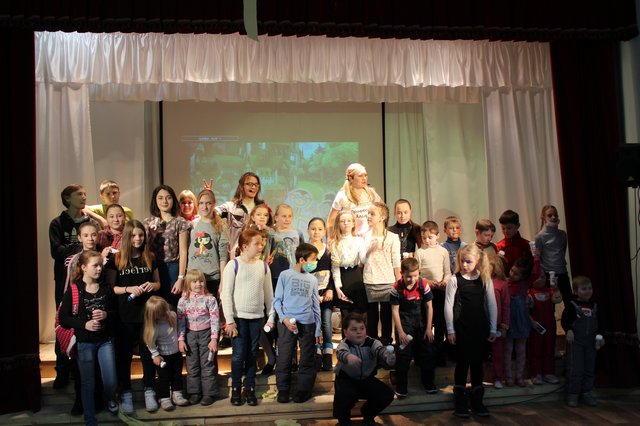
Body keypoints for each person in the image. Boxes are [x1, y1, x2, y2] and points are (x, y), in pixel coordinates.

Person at [105, 219, 160, 414]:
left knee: (147, 353)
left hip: (146, 314)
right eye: (134, 235)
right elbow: (111, 288)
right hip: (125, 315)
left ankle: (149, 390)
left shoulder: (150, 257)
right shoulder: (117, 258)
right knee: (124, 355)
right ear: (127, 237)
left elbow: (158, 283)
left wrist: (152, 286)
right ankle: (126, 392)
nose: (138, 238)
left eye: (141, 235)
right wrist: (128, 288)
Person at [59, 250, 118, 425]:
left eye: (100, 265)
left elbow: (116, 313)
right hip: (85, 343)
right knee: (87, 383)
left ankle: (110, 398)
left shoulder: (106, 289)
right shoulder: (74, 290)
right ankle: (90, 419)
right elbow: (63, 319)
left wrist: (106, 315)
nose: (99, 269)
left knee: (110, 381)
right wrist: (84, 324)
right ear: (84, 267)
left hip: (105, 341)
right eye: (95, 265)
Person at [49, 183, 96, 390]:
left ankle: (81, 370)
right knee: (63, 321)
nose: (84, 197)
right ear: (67, 198)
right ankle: (62, 370)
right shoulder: (57, 223)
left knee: (85, 321)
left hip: (87, 282)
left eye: (85, 194)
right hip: (64, 281)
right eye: (79, 194)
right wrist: (81, 249)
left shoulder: (90, 222)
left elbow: (95, 247)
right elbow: (56, 251)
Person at [221, 229, 275, 406]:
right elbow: (226, 294)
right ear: (244, 246)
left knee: (252, 353)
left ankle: (250, 387)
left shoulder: (263, 266)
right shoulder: (233, 265)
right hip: (238, 318)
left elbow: (269, 295)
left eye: (261, 243)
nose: (261, 246)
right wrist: (229, 320)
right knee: (238, 355)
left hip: (256, 318)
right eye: (256, 244)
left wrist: (271, 317)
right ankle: (236, 388)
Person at [444, 244, 497, 418]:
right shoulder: (455, 280)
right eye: (462, 261)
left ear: (478, 261)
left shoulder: (484, 279)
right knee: (462, 363)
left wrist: (493, 327)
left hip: (480, 328)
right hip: (461, 328)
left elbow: (491, 304)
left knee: (477, 364)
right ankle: (460, 401)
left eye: (468, 261)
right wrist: (450, 330)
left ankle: (477, 400)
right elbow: (448, 306)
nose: (465, 265)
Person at [273, 243, 322, 404]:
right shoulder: (285, 275)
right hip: (287, 323)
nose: (315, 262)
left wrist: (318, 329)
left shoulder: (312, 279)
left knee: (307, 359)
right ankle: (283, 390)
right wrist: (284, 319)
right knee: (284, 357)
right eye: (313, 259)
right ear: (302, 260)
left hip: (307, 323)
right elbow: (277, 300)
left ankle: (303, 391)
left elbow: (315, 305)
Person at [332, 313, 395, 425]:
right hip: (346, 380)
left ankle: (368, 414)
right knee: (343, 397)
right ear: (345, 332)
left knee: (387, 394)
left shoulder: (372, 342)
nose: (359, 332)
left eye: (362, 328)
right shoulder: (344, 344)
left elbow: (380, 350)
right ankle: (344, 421)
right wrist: (348, 357)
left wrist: (387, 356)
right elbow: (340, 352)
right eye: (354, 329)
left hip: (366, 379)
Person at [390, 257, 436, 397]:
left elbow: (429, 307)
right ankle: (401, 388)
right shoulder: (396, 288)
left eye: (415, 275)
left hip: (421, 324)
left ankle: (429, 384)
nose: (412, 279)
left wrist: (429, 328)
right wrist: (400, 332)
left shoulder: (423, 285)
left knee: (427, 353)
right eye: (409, 276)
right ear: (402, 274)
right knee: (403, 356)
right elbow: (395, 311)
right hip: (404, 324)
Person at [143, 184, 191, 308]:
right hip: (153, 268)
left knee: (172, 305)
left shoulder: (180, 222)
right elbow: (143, 248)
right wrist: (151, 234)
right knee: (155, 307)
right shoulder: (148, 222)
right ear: (155, 200)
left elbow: (183, 251)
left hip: (172, 268)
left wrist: (180, 278)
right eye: (160, 198)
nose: (164, 201)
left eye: (168, 197)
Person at [177, 269, 220, 406]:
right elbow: (180, 321)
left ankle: (208, 393)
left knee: (207, 364)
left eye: (201, 281)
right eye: (194, 281)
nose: (198, 284)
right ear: (188, 283)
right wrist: (181, 339)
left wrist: (214, 339)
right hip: (190, 335)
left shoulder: (210, 299)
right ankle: (195, 392)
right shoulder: (183, 301)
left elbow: (215, 319)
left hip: (206, 334)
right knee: (192, 365)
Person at [561, 276, 604, 407]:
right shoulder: (572, 306)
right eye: (584, 289)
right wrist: (568, 330)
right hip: (576, 343)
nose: (588, 291)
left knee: (589, 368)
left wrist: (600, 337)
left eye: (590, 288)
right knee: (575, 368)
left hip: (591, 343)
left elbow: (600, 325)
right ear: (575, 291)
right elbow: (565, 321)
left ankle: (586, 393)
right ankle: (573, 394)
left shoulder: (595, 305)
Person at [363, 202, 401, 345]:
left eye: (372, 214)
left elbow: (396, 262)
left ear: (382, 217)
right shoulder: (364, 236)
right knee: (372, 317)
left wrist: (398, 282)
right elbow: (361, 261)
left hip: (387, 281)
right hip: (370, 280)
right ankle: (372, 345)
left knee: (386, 316)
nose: (369, 216)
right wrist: (368, 251)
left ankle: (386, 345)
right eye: (368, 213)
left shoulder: (392, 237)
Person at [414, 220, 451, 365]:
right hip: (425, 291)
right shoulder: (420, 252)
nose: (427, 240)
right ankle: (426, 353)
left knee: (440, 322)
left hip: (440, 291)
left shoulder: (443, 251)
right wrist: (427, 282)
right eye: (424, 238)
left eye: (430, 237)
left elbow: (447, 272)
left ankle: (439, 353)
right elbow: (417, 274)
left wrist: (445, 281)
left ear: (438, 236)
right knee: (426, 321)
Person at [144, 296, 190, 411]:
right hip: (163, 357)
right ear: (155, 315)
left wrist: (181, 341)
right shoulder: (154, 327)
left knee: (177, 375)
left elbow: (179, 329)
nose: (167, 312)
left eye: (166, 309)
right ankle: (164, 397)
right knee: (163, 378)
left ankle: (177, 394)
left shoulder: (173, 316)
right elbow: (150, 342)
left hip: (176, 354)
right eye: (163, 312)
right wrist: (155, 355)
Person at [504, 256, 538, 387]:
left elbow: (536, 274)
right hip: (508, 321)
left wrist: (536, 258)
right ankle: (508, 377)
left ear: (523, 276)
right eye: (512, 270)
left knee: (521, 350)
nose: (512, 274)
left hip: (522, 321)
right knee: (507, 350)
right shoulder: (505, 282)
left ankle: (519, 377)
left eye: (516, 274)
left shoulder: (524, 284)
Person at [307, 217, 336, 371]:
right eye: (313, 229)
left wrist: (330, 289)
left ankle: (328, 355)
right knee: (314, 324)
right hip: (311, 296)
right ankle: (316, 354)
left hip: (326, 295)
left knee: (326, 323)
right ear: (308, 231)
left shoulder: (329, 250)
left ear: (324, 231)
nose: (316, 232)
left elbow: (333, 271)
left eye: (319, 229)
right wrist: (313, 295)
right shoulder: (305, 250)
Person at [187, 189, 229, 296]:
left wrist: (223, 282)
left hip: (212, 279)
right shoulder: (192, 224)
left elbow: (223, 257)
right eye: (201, 203)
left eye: (208, 203)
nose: (204, 207)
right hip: (192, 279)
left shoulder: (221, 226)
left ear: (214, 204)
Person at [214, 172, 265, 259]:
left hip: (256, 258)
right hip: (235, 258)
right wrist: (209, 197)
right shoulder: (230, 207)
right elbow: (213, 213)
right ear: (241, 186)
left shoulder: (262, 209)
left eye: (256, 185)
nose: (253, 187)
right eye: (250, 184)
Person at [327, 163, 382, 239]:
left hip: (371, 237)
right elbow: (331, 220)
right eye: (360, 176)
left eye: (365, 175)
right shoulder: (342, 195)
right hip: (351, 239)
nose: (364, 178)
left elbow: (382, 211)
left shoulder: (371, 193)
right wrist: (330, 238)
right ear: (350, 178)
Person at [527, 270, 562, 385]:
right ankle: (536, 373)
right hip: (535, 327)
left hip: (550, 325)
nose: (540, 279)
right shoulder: (529, 292)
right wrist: (531, 321)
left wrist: (555, 287)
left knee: (549, 348)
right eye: (536, 277)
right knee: (535, 349)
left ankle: (549, 372)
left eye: (542, 277)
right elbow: (525, 309)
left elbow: (558, 299)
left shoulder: (550, 291)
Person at [331, 210, 367, 319]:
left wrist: (371, 252)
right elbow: (335, 268)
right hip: (343, 279)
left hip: (356, 277)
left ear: (353, 223)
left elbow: (363, 260)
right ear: (338, 224)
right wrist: (337, 287)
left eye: (348, 221)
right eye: (342, 221)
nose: (346, 223)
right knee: (345, 314)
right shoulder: (335, 243)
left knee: (358, 313)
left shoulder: (359, 240)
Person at [535, 205, 571, 305]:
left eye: (555, 215)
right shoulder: (540, 237)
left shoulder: (562, 234)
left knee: (569, 302)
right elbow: (538, 257)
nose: (553, 217)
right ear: (543, 217)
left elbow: (562, 252)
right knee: (549, 305)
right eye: (550, 215)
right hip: (548, 274)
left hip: (562, 272)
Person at [487, 253, 510, 389]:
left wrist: (505, 325)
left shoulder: (502, 284)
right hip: (482, 324)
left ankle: (498, 377)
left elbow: (506, 305)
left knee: (498, 353)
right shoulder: (480, 282)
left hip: (497, 325)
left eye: (488, 266)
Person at [496, 209, 532, 275]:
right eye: (503, 228)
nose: (506, 231)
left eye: (509, 228)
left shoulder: (527, 245)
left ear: (517, 226)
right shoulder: (499, 246)